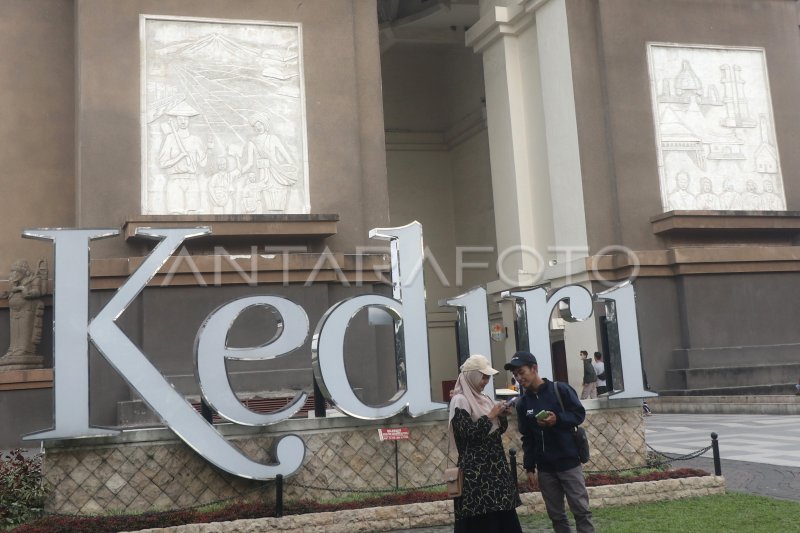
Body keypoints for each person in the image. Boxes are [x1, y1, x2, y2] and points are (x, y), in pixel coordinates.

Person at [506, 351, 595, 533]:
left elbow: (579, 414)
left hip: (569, 463)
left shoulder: (560, 389)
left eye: (522, 372)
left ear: (534, 368)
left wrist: (558, 420)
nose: (519, 378)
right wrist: (530, 467)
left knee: (581, 511)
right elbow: (528, 438)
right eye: (515, 375)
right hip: (545, 469)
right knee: (556, 516)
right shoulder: (523, 403)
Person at [449, 354, 522, 533]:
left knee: (503, 520)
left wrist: (501, 416)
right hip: (476, 477)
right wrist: (490, 416)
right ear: (472, 375)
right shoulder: (460, 400)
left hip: (496, 472)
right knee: (481, 523)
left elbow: (495, 432)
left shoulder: (485, 399)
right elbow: (468, 434)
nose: (485, 381)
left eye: (488, 377)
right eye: (483, 376)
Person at [158, 101, 211, 214]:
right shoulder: (170, 139)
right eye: (180, 119)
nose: (183, 121)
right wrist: (179, 157)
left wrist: (209, 150)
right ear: (176, 121)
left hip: (192, 180)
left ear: (189, 121)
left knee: (193, 214)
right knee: (175, 214)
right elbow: (162, 163)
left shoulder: (195, 140)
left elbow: (202, 163)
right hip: (175, 181)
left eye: (186, 119)